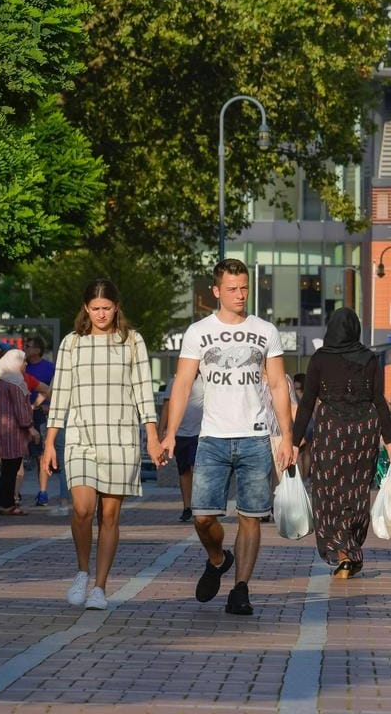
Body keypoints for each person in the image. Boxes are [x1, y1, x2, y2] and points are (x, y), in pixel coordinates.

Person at [161, 259, 296, 618]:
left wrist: (286, 436)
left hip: (254, 437)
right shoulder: (198, 332)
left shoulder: (265, 330)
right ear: (216, 291)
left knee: (250, 517)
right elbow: (183, 385)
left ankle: (241, 589)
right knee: (202, 517)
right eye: (232, 289)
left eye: (244, 288)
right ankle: (218, 559)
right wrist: (170, 433)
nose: (240, 295)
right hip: (212, 438)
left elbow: (279, 384)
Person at [42, 278, 165, 611]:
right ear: (86, 308)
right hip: (81, 436)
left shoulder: (132, 342)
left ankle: (100, 586)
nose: (101, 314)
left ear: (116, 307)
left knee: (109, 516)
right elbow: (61, 394)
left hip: (121, 437)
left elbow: (143, 392)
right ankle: (82, 572)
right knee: (82, 510)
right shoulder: (72, 344)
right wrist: (50, 441)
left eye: (106, 308)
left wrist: (152, 436)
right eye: (95, 308)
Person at [290, 309, 391, 579]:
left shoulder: (320, 358)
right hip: (363, 432)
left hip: (331, 430)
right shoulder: (369, 358)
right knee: (356, 492)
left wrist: (295, 442)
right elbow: (379, 401)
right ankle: (351, 548)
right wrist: (390, 441)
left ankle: (343, 552)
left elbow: (307, 403)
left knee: (327, 491)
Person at [0, 348, 34, 516]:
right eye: (23, 361)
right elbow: (20, 408)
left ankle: (6, 502)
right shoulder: (15, 382)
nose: (25, 364)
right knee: (12, 467)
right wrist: (29, 426)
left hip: (4, 427)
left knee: (8, 468)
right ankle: (8, 504)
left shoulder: (2, 380)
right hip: (14, 430)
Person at [23, 336, 61, 507]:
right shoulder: (22, 366)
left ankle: (43, 491)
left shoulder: (49, 368)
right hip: (21, 413)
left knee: (40, 454)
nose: (25, 348)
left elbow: (57, 390)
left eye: (28, 346)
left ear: (38, 350)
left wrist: (47, 406)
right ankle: (14, 492)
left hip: (39, 414)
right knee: (17, 453)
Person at [160, 375, 203, 523]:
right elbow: (166, 407)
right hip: (179, 434)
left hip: (200, 433)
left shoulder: (205, 380)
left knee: (196, 468)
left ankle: (201, 506)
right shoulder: (174, 382)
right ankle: (187, 507)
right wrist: (161, 432)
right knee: (184, 471)